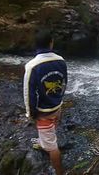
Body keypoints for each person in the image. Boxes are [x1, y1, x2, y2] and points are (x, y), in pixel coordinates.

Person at [23, 28, 67, 175]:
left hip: (43, 112)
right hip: (57, 107)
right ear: (51, 43)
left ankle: (59, 172)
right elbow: (64, 82)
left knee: (53, 148)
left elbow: (28, 93)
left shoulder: (32, 66)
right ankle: (43, 142)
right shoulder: (61, 61)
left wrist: (30, 113)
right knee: (49, 131)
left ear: (35, 45)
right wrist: (59, 101)